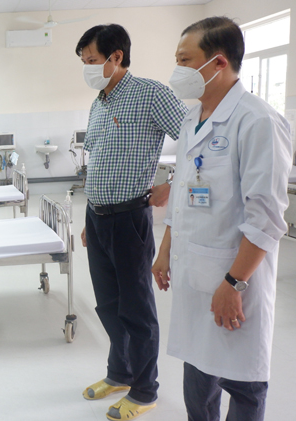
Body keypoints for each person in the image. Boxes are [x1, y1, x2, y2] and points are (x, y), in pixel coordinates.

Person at [152, 17, 292, 421]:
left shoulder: (257, 121)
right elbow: (183, 193)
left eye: (184, 59)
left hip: (233, 281)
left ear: (217, 63)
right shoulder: (190, 118)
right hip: (194, 275)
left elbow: (265, 218)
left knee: (243, 387)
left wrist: (233, 283)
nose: (177, 70)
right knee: (197, 378)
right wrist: (164, 252)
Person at [75, 24, 188, 420]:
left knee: (136, 309)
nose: (87, 68)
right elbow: (96, 160)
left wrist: (171, 184)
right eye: (85, 62)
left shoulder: (151, 94)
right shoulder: (99, 103)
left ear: (116, 56)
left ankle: (144, 390)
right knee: (108, 305)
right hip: (99, 217)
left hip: (130, 219)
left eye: (91, 60)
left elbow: (194, 143)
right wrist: (91, 214)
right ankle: (119, 373)